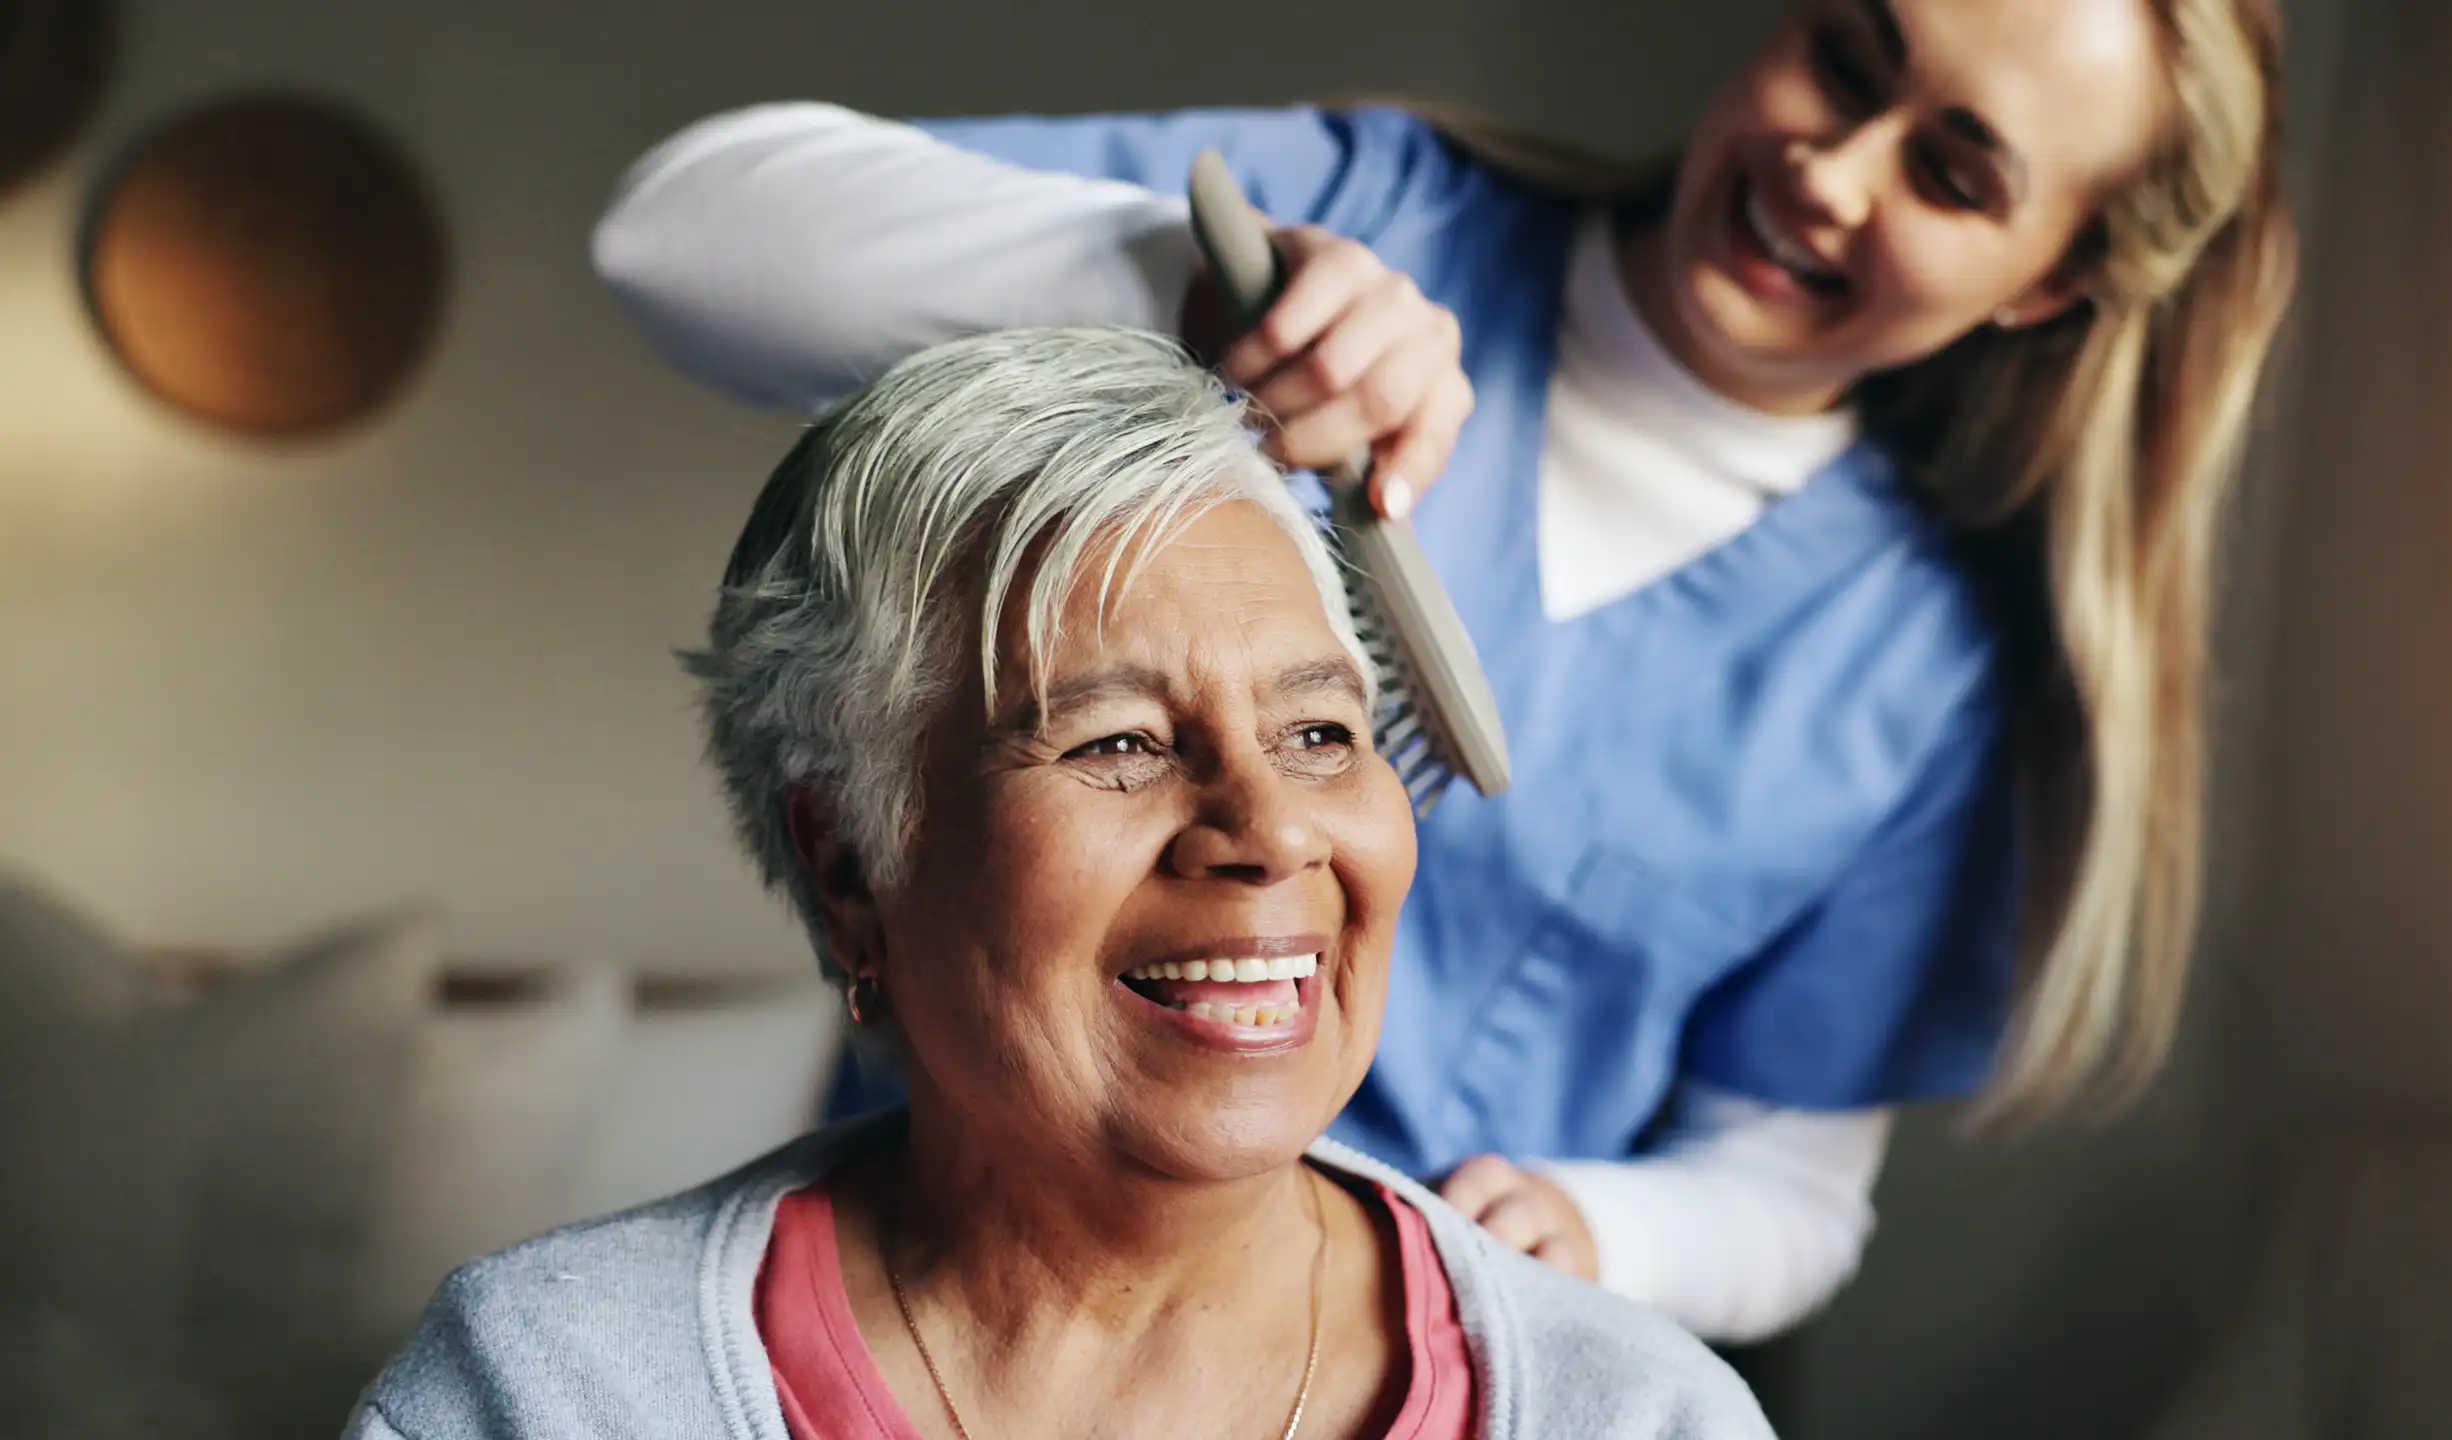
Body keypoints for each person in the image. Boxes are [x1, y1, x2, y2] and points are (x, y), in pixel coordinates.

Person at [586, 0, 2298, 1342]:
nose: (1832, 169)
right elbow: (673, 240)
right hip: (948, 1292)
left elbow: (1787, 1188)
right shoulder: (1356, 221)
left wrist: (1598, 1232)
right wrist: (1170, 290)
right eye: (1847, 56)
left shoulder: (1916, 677)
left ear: (2052, 280)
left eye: (1955, 172)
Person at [343, 328, 1774, 1440]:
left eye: (1320, 733)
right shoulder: (551, 1389)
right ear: (854, 874)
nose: (1269, 832)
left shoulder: (1640, 1415)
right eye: (1121, 743)